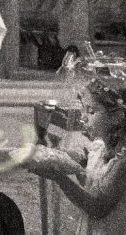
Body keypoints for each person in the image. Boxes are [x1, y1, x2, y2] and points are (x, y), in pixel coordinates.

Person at [20, 76, 126, 234]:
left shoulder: (122, 161)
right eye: (83, 110)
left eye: (91, 112)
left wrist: (59, 176)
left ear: (117, 116)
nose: (83, 117)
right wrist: (65, 162)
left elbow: (98, 207)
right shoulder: (99, 148)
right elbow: (91, 187)